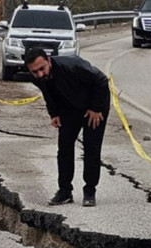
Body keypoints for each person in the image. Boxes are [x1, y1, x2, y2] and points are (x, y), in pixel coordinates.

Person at [24, 47, 110, 207]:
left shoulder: (73, 66)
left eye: (42, 68)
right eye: (35, 71)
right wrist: (54, 114)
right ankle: (65, 191)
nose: (40, 74)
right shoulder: (36, 77)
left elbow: (102, 81)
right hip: (69, 108)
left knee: (91, 147)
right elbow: (48, 93)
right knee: (64, 147)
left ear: (49, 60)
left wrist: (96, 108)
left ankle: (90, 191)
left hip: (94, 106)